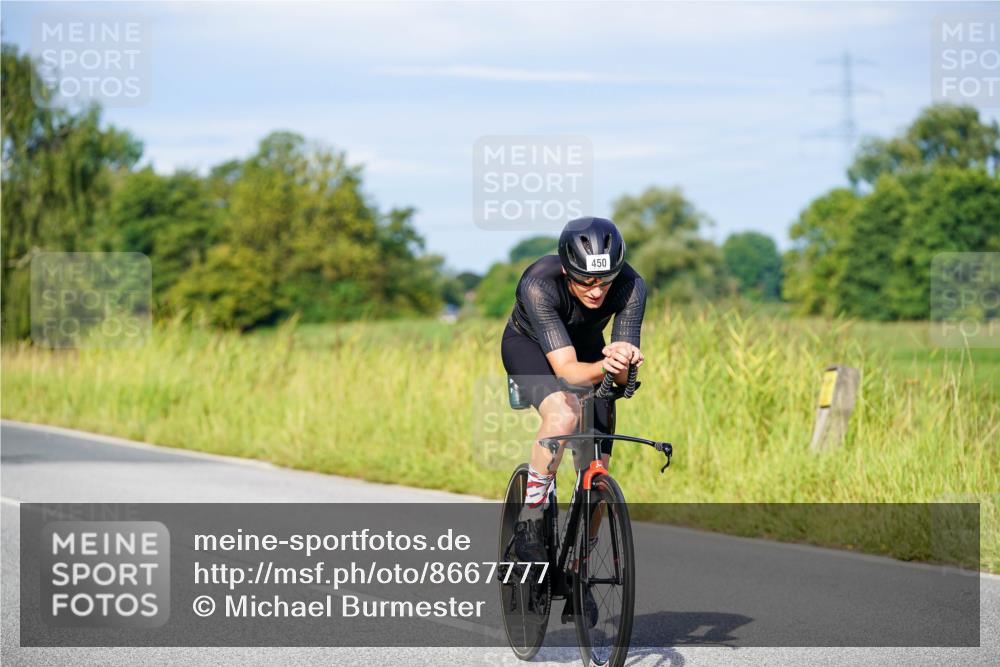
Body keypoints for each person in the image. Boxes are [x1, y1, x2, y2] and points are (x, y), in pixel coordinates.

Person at [500, 216, 646, 626]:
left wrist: (622, 362)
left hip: (587, 348)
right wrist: (606, 364)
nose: (597, 291)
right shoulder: (538, 283)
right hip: (530, 347)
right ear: (566, 269)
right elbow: (566, 372)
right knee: (563, 414)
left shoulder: (632, 286)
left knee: (597, 460)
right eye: (585, 283)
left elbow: (619, 378)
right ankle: (529, 524)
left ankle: (580, 566)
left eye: (605, 281)